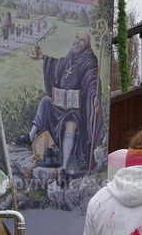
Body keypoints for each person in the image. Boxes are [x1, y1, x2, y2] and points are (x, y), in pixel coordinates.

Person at [15, 31, 102, 187]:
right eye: (76, 37)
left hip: (77, 108)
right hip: (61, 104)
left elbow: (93, 79)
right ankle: (30, 135)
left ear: (87, 44)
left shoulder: (89, 60)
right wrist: (43, 57)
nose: (77, 41)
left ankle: (63, 167)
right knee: (45, 102)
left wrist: (95, 97)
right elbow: (57, 64)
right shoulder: (70, 57)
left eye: (81, 40)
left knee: (71, 123)